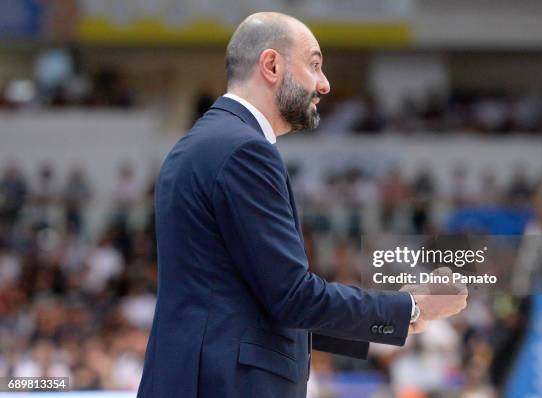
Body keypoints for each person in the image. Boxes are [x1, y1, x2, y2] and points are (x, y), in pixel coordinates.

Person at [137, 12, 467, 398]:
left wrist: (400, 318)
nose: (324, 84)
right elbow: (291, 297)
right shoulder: (244, 150)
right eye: (314, 65)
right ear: (272, 65)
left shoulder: (201, 143)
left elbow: (256, 302)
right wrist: (410, 307)